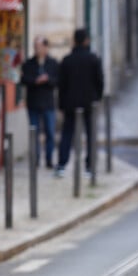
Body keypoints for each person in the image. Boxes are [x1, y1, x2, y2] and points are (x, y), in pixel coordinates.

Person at [56, 27, 104, 177]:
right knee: (90, 134)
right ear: (86, 41)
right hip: (89, 102)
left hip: (70, 103)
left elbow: (61, 84)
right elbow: (100, 82)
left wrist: (61, 104)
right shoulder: (93, 59)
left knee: (67, 134)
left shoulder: (67, 60)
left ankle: (62, 164)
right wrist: (97, 98)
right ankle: (89, 166)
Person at [20, 36, 59, 168]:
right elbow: (24, 80)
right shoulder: (29, 64)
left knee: (50, 132)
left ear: (46, 47)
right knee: (34, 132)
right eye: (35, 47)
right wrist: (35, 81)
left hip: (48, 103)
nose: (37, 49)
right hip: (33, 103)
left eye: (39, 47)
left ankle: (49, 159)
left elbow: (58, 80)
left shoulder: (53, 63)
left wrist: (47, 80)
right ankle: (35, 159)